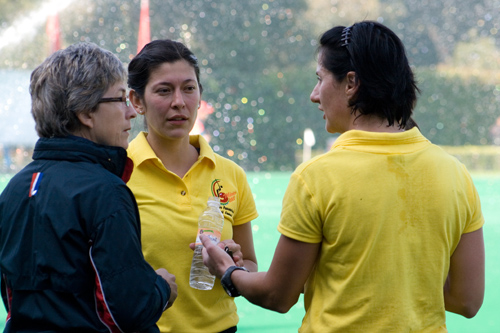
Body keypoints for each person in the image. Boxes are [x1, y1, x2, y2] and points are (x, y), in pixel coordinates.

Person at [199, 21, 485, 332]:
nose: (313, 95)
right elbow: (466, 301)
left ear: (351, 83)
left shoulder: (316, 178)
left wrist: (228, 271)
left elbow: (278, 296)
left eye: (319, 80)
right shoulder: (456, 174)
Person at [0, 42, 177, 332]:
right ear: (85, 113)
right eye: (120, 99)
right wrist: (161, 288)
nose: (132, 112)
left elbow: (14, 300)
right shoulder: (105, 191)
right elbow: (127, 309)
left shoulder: (14, 189)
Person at [126, 39, 259, 333]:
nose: (179, 102)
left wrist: (233, 265)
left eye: (189, 88)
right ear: (137, 101)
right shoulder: (118, 174)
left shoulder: (230, 173)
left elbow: (249, 264)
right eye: (163, 90)